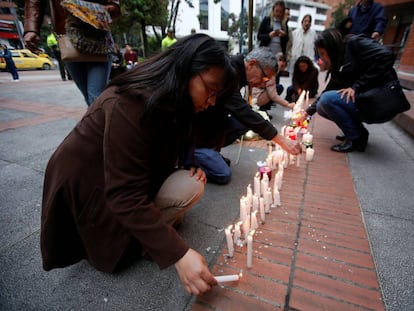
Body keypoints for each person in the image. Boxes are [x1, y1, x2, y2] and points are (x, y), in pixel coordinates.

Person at [39, 34, 238, 296]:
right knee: (121, 246)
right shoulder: (131, 102)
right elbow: (123, 194)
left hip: (123, 178)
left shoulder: (175, 101)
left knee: (190, 184)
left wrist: (189, 162)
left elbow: (187, 140)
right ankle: (129, 240)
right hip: (89, 187)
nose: (211, 101)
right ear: (186, 68)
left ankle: (142, 235)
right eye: (210, 90)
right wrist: (179, 254)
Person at [193, 47, 302, 185]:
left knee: (243, 123)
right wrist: (280, 140)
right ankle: (192, 156)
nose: (263, 83)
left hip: (208, 125)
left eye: (267, 80)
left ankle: (211, 151)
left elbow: (243, 112)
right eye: (264, 77)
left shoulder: (238, 73)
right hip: (194, 131)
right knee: (222, 174)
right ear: (251, 64)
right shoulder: (229, 72)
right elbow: (242, 111)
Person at [300, 29, 399, 152]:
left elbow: (386, 56)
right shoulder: (339, 63)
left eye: (323, 53)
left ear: (331, 48)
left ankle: (356, 139)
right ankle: (356, 131)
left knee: (327, 101)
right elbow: (330, 88)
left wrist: (355, 86)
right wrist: (308, 112)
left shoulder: (355, 43)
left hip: (380, 101)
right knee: (321, 106)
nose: (323, 59)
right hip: (363, 99)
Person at [23, 0, 121, 106]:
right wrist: (31, 28)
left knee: (95, 97)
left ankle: (105, 120)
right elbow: (34, 2)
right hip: (67, 38)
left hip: (98, 39)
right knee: (90, 98)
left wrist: (94, 10)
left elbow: (113, 5)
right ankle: (104, 119)